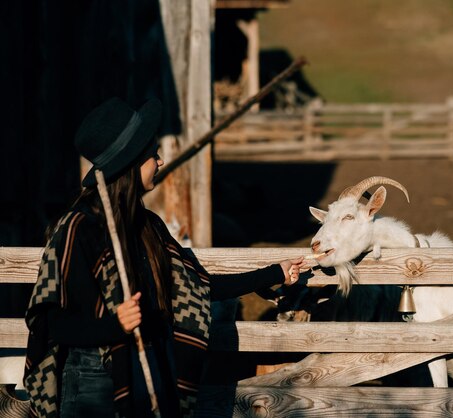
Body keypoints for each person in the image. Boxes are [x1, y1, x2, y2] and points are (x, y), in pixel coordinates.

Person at [23, 97, 307, 417]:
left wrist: (274, 273)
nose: (159, 161)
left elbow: (198, 286)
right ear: (131, 162)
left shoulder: (148, 227)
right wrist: (113, 325)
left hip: (151, 369)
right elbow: (52, 323)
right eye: (152, 155)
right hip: (95, 383)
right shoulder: (79, 228)